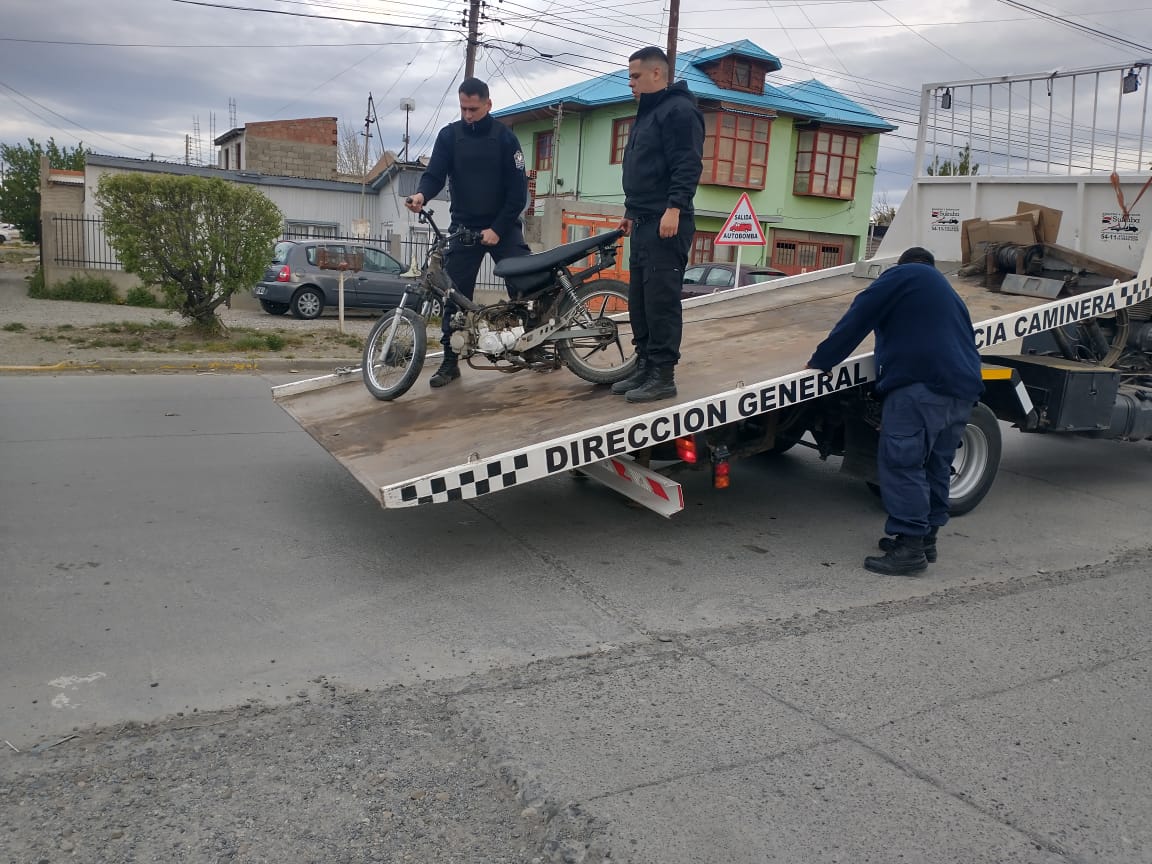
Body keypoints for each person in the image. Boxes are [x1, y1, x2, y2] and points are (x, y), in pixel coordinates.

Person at [806, 247, 983, 576]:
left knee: (903, 462)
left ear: (904, 266)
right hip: (962, 391)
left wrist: (822, 360)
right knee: (935, 465)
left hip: (921, 386)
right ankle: (926, 540)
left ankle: (910, 549)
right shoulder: (947, 292)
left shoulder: (903, 275)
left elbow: (859, 316)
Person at [406, 77, 530, 388]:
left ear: (488, 104)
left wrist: (498, 229)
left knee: (526, 284)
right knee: (454, 296)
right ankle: (450, 361)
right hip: (464, 229)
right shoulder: (449, 136)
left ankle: (536, 344)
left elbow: (518, 194)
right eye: (463, 108)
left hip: (503, 226)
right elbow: (434, 174)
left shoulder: (505, 139)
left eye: (473, 109)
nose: (468, 115)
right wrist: (422, 195)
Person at [611, 46, 705, 403]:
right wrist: (631, 210)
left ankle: (662, 376)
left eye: (635, 76)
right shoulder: (647, 114)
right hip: (645, 220)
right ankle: (645, 365)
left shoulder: (679, 111)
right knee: (640, 300)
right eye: (630, 77)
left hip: (667, 222)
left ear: (656, 74)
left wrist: (675, 207)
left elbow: (687, 164)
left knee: (661, 301)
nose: (630, 83)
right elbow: (643, 170)